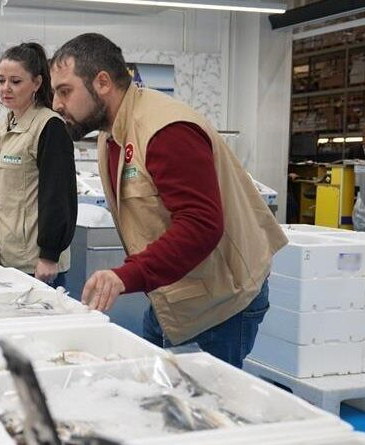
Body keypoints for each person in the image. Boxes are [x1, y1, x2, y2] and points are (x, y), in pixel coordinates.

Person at [49, 33, 287, 367]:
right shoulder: (111, 135)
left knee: (204, 411)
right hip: (174, 296)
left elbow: (201, 224)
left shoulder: (166, 130)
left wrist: (124, 275)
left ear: (102, 82)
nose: (57, 104)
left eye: (64, 91)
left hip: (221, 303)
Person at [0, 43, 77, 288]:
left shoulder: (50, 127)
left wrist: (49, 255)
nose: (5, 89)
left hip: (34, 266)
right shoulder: (4, 126)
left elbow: (59, 196)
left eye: (15, 81)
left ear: (37, 83)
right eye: (1, 80)